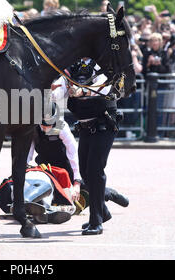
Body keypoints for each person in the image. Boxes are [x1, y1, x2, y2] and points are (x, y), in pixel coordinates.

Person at [51, 58, 124, 235]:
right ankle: (103, 211)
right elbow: (57, 95)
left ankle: (96, 221)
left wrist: (82, 91)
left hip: (104, 124)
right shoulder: (72, 67)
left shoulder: (102, 63)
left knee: (95, 170)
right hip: (85, 126)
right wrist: (50, 86)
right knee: (84, 171)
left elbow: (105, 87)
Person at [27, 103, 129, 209]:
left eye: (49, 124)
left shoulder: (61, 126)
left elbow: (74, 154)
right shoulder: (33, 129)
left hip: (66, 167)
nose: (46, 127)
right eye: (43, 124)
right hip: (46, 167)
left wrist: (77, 183)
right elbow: (28, 153)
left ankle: (111, 194)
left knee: (90, 188)